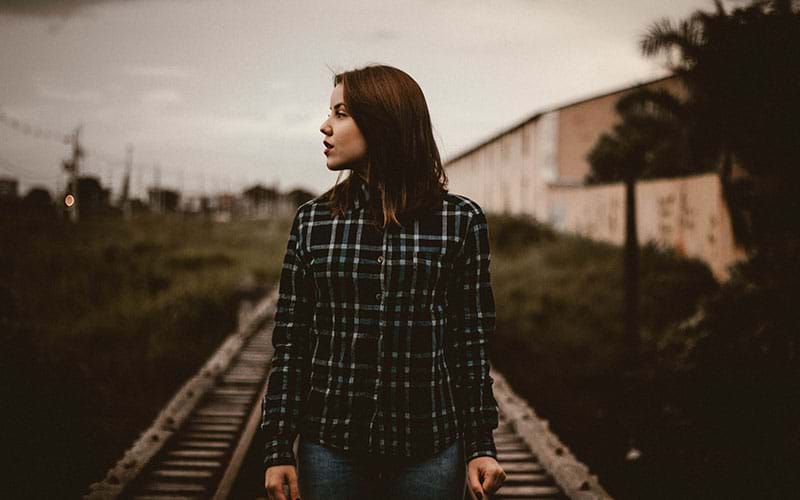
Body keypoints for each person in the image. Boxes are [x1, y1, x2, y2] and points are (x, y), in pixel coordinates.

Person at [261, 64, 506, 500]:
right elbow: (292, 341)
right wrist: (278, 446)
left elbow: (469, 342)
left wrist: (480, 446)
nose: (325, 126)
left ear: (383, 122)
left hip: (429, 448)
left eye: (340, 113)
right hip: (330, 447)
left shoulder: (460, 221)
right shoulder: (313, 221)